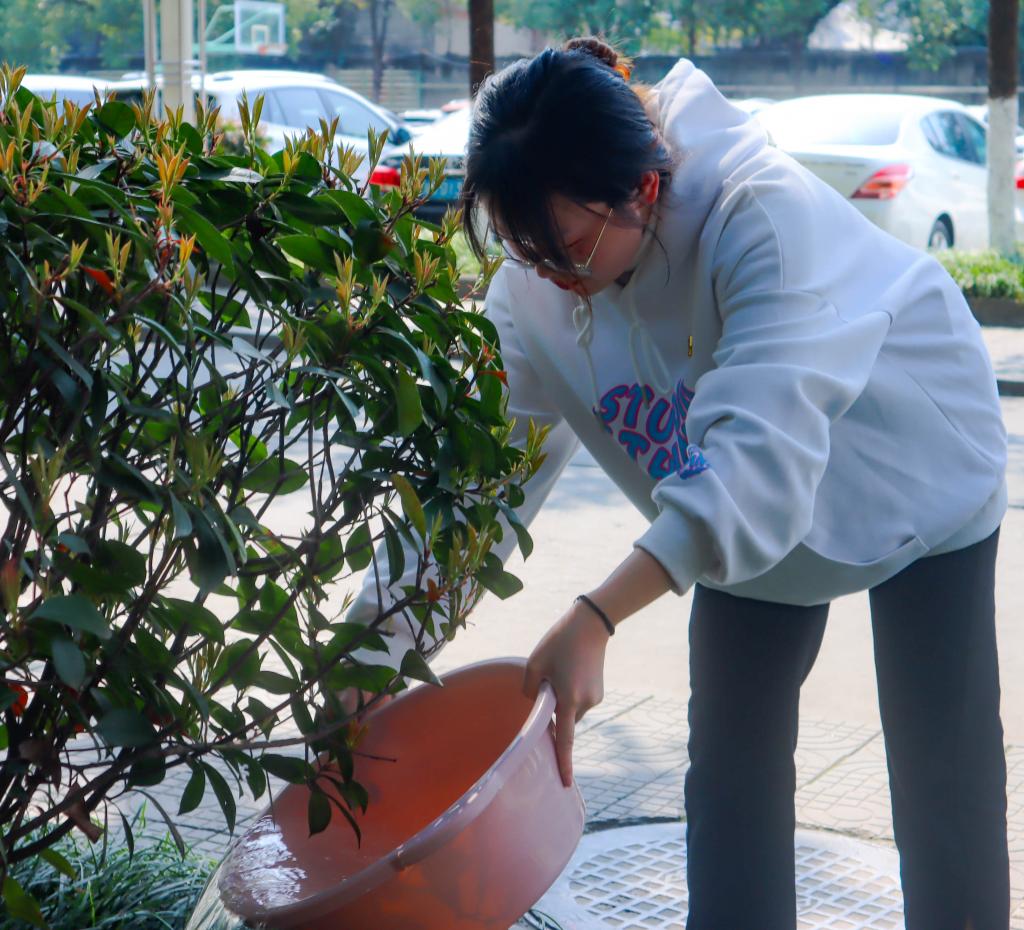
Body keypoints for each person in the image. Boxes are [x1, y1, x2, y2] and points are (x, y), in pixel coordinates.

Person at [343, 37, 1011, 930]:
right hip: (735, 509)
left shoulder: (757, 216)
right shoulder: (537, 283)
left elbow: (754, 468)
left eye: (570, 248)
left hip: (914, 465)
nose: (553, 279)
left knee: (940, 769)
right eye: (523, 249)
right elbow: (479, 487)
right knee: (730, 766)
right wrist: (367, 652)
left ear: (646, 189)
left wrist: (597, 615)